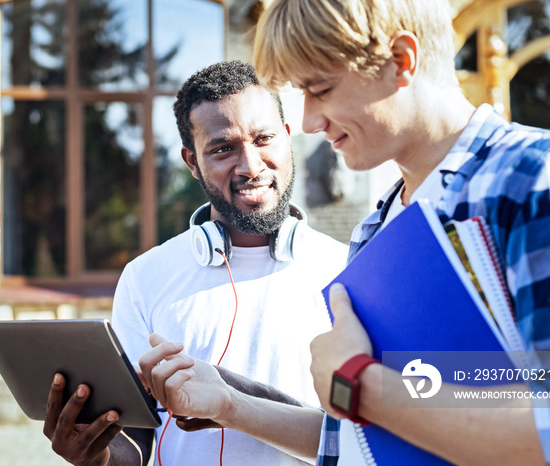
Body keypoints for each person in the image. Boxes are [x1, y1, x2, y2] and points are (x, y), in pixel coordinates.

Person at [250, 0, 550, 465]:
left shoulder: (532, 177)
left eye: (320, 89)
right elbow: (356, 444)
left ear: (402, 60)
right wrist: (230, 403)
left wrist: (359, 384)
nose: (308, 122)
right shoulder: (374, 230)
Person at [42, 60, 349, 465]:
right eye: (223, 149)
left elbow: (366, 436)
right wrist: (95, 456)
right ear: (192, 162)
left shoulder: (346, 269)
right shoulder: (145, 277)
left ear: (287, 138)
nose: (250, 166)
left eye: (264, 139)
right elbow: (134, 437)